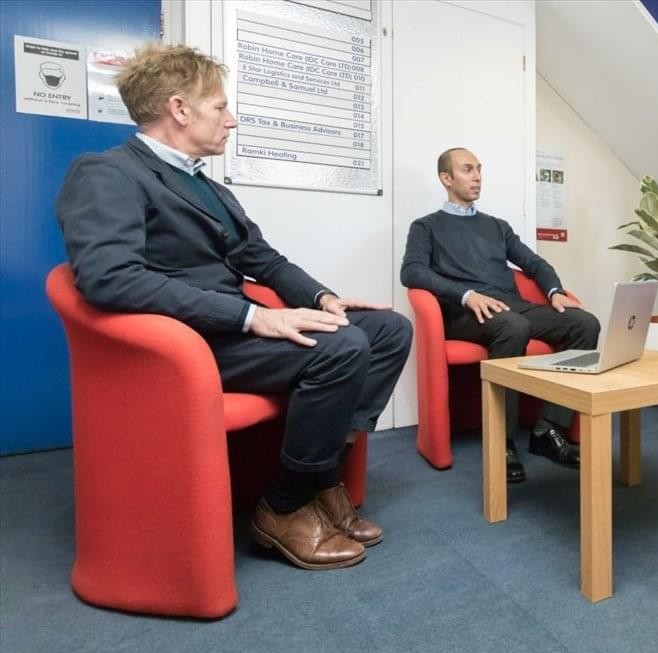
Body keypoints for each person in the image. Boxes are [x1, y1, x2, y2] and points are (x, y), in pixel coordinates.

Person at [55, 44, 411, 570]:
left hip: (227, 331)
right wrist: (254, 316)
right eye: (220, 107)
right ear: (179, 109)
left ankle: (322, 474)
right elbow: (111, 280)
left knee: (387, 329)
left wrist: (322, 297)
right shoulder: (106, 173)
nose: (233, 120)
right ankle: (284, 506)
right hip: (189, 343)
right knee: (341, 348)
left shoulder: (207, 186)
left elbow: (262, 259)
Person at [401, 147, 600, 483]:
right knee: (513, 325)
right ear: (446, 178)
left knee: (585, 323)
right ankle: (502, 441)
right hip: (466, 313)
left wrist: (554, 292)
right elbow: (412, 272)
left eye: (479, 169)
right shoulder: (427, 227)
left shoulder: (497, 226)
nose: (477, 176)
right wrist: (465, 295)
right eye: (467, 170)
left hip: (510, 305)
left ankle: (548, 430)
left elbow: (535, 264)